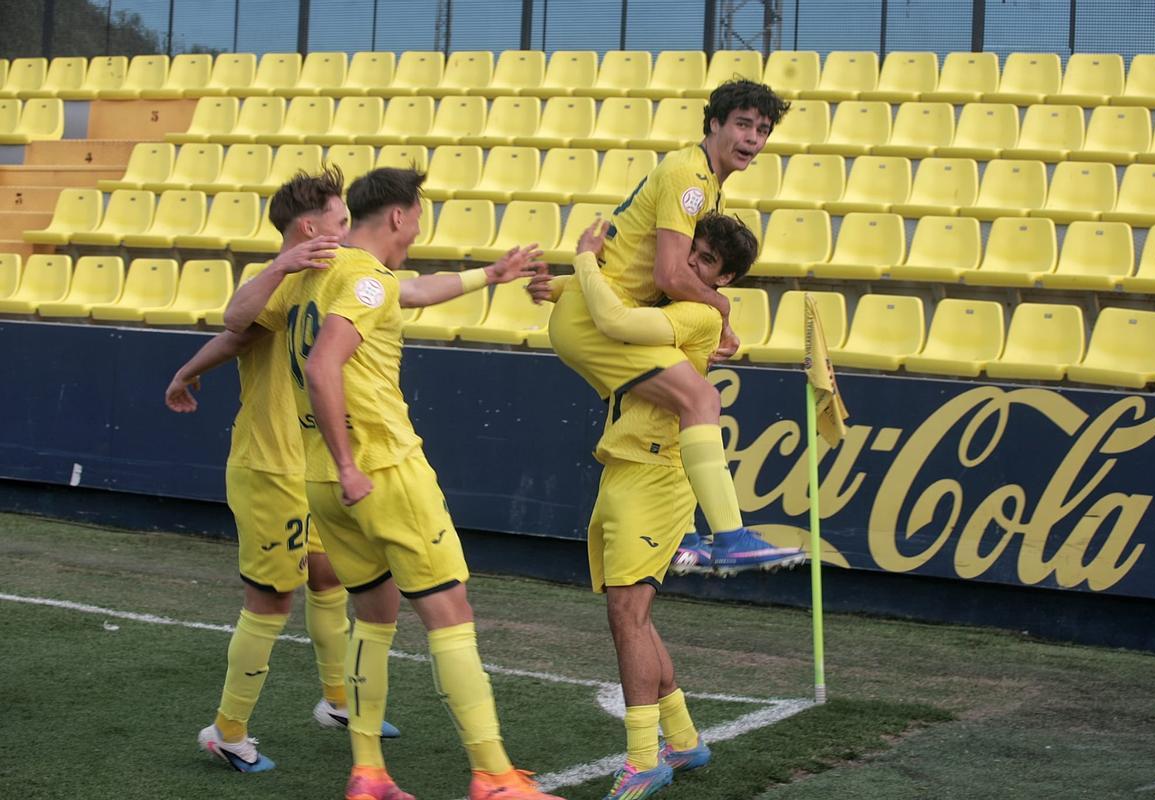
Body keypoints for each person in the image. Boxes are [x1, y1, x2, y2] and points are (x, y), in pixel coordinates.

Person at [245, 167, 564, 800]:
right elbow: (324, 365)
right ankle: (494, 775)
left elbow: (409, 291)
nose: (418, 227)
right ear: (398, 215)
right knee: (451, 611)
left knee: (375, 614)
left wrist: (490, 274)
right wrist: (350, 463)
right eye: (417, 215)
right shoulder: (365, 279)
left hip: (320, 480)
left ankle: (368, 773)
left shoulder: (319, 273)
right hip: (381, 468)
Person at [165, 168, 401, 774]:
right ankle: (227, 730)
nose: (349, 229)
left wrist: (187, 372)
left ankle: (338, 700)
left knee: (327, 575)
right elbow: (235, 324)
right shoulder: (276, 279)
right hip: (268, 466)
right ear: (310, 228)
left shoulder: (333, 278)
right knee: (271, 600)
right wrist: (281, 266)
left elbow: (235, 340)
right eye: (341, 220)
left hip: (308, 461)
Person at [545, 80, 804, 576]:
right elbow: (668, 275)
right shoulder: (690, 177)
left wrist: (561, 285)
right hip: (600, 319)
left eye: (763, 130)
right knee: (700, 400)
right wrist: (721, 308)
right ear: (714, 124)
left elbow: (632, 262)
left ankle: (685, 539)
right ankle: (730, 538)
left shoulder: (703, 180)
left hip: (599, 310)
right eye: (743, 125)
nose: (753, 138)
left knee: (681, 412)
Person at [571, 213, 770, 798]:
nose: (691, 263)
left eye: (707, 261)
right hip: (627, 466)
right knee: (631, 614)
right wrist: (558, 287)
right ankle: (682, 739)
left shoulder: (697, 313)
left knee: (627, 616)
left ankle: (642, 759)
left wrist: (583, 260)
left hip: (656, 475)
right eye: (692, 250)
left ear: (724, 279)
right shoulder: (676, 303)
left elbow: (614, 319)